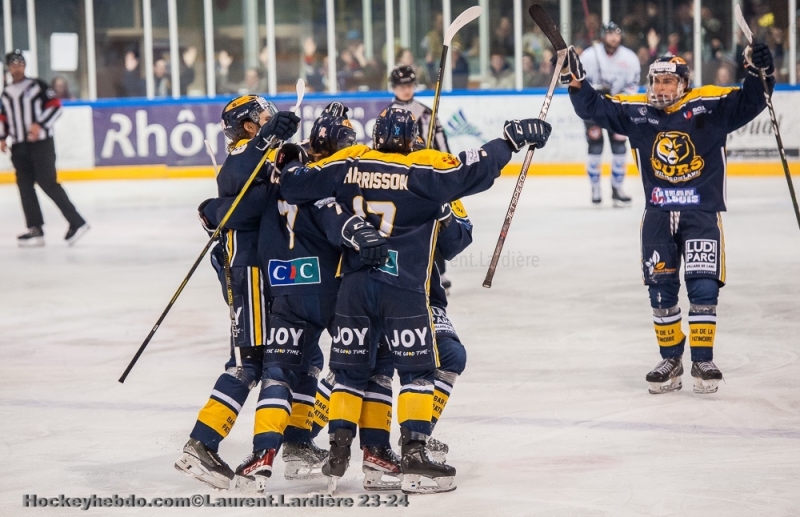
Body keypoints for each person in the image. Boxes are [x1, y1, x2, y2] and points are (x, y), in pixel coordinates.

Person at [276, 107, 552, 493]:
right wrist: (509, 140)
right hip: (403, 288)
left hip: (354, 288)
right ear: (412, 141)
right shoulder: (425, 174)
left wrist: (287, 157)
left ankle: (342, 450)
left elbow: (296, 184)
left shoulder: (350, 161)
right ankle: (415, 455)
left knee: (353, 372)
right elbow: (474, 171)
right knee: (419, 373)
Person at [562, 40, 775, 394]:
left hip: (701, 212)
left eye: (667, 82)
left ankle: (702, 359)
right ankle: (670, 358)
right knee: (661, 289)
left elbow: (753, 99)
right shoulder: (636, 109)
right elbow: (595, 109)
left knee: (703, 285)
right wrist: (577, 81)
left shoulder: (709, 105)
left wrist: (759, 70)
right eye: (655, 81)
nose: (659, 88)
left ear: (682, 84)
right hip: (658, 214)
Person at [174, 95, 300, 490]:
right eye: (260, 115)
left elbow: (245, 202)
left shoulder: (265, 149)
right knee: (248, 363)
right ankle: (201, 443)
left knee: (258, 360)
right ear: (248, 125)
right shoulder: (248, 149)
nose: (267, 117)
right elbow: (232, 182)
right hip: (246, 270)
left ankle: (210, 442)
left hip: (262, 269)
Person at [0, 50, 89, 247]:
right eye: (13, 63)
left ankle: (77, 221)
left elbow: (56, 106)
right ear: (8, 67)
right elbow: (4, 117)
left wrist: (39, 124)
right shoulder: (6, 93)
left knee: (47, 182)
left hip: (41, 145)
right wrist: (2, 137)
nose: (17, 66)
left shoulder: (37, 85)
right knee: (24, 186)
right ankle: (35, 228)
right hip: (19, 146)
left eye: (20, 63)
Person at [386, 65, 453, 292]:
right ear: (393, 88)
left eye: (409, 85)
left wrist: (447, 171)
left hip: (427, 176)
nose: (406, 90)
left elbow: (442, 147)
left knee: (434, 222)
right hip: (401, 178)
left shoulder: (426, 113)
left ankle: (439, 272)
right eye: (401, 86)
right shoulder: (386, 116)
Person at [579, 21, 641, 206]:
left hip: (618, 109)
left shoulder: (629, 58)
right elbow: (579, 81)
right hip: (594, 109)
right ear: (603, 36)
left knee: (619, 147)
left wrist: (616, 97)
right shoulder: (590, 55)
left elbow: (633, 84)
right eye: (610, 33)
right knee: (595, 146)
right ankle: (595, 187)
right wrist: (595, 91)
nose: (614, 37)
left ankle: (617, 188)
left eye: (617, 33)